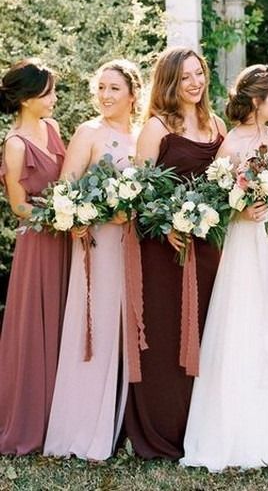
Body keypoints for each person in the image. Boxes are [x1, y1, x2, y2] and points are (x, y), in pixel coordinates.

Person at [181, 65, 268, 471]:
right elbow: (214, 202)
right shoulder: (231, 144)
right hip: (244, 244)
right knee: (244, 323)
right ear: (257, 101)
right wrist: (239, 212)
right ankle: (236, 429)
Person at [124, 47, 225, 460]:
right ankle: (162, 428)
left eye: (198, 73)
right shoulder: (156, 128)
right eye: (185, 77)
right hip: (165, 250)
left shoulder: (216, 124)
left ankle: (201, 427)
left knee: (207, 330)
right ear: (169, 82)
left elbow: (226, 181)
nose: (195, 83)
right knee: (167, 334)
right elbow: (139, 191)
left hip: (210, 248)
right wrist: (168, 225)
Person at [44, 59, 142, 461]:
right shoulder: (89, 132)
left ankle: (120, 426)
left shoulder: (142, 136)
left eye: (114, 88)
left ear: (133, 94)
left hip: (133, 247)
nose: (105, 95)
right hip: (97, 246)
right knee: (93, 331)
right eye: (101, 87)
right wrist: (91, 215)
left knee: (126, 334)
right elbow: (64, 191)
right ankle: (82, 429)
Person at [0, 60, 69, 454]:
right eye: (48, 93)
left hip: (66, 238)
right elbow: (18, 205)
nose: (54, 99)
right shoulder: (14, 144)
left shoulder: (54, 129)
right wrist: (55, 213)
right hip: (38, 242)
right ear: (26, 99)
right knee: (34, 327)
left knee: (63, 320)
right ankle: (28, 420)